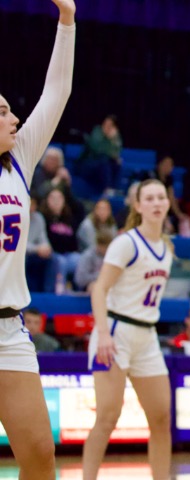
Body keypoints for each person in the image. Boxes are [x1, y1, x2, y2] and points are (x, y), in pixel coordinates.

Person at [0, 0, 75, 477]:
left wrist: (67, 20)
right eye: (3, 112)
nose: (14, 119)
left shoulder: (21, 161)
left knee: (40, 456)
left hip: (9, 330)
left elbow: (56, 93)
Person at [82, 179, 173, 480]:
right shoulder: (126, 243)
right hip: (115, 330)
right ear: (138, 205)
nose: (156, 203)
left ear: (168, 203)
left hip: (147, 336)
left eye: (161, 197)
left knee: (161, 418)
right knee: (107, 417)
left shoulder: (167, 247)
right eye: (150, 198)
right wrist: (103, 334)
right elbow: (99, 289)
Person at [77, 114, 123, 195]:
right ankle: (107, 189)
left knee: (117, 164)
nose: (106, 127)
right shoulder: (97, 131)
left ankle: (114, 189)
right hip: (88, 164)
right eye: (105, 124)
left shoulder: (115, 135)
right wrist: (109, 140)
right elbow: (98, 149)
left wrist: (112, 140)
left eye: (110, 125)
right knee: (104, 160)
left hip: (104, 165)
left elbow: (117, 152)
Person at [25, 194, 57, 293]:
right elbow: (17, 244)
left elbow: (43, 239)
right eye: (28, 204)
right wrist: (37, 249)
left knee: (53, 259)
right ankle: (26, 293)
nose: (30, 207)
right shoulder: (16, 217)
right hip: (21, 254)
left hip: (35, 252)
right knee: (23, 260)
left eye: (33, 204)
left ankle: (48, 295)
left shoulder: (39, 218)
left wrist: (47, 248)